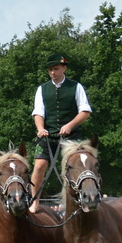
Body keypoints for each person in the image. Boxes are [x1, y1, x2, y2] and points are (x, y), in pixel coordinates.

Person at [29, 56, 92, 210]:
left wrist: (70, 125)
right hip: (47, 135)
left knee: (78, 165)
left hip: (71, 135)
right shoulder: (42, 89)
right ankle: (34, 201)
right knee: (38, 166)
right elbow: (38, 113)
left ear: (64, 68)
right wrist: (40, 129)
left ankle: (81, 200)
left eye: (56, 68)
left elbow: (85, 111)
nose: (52, 72)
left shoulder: (76, 87)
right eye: (50, 69)